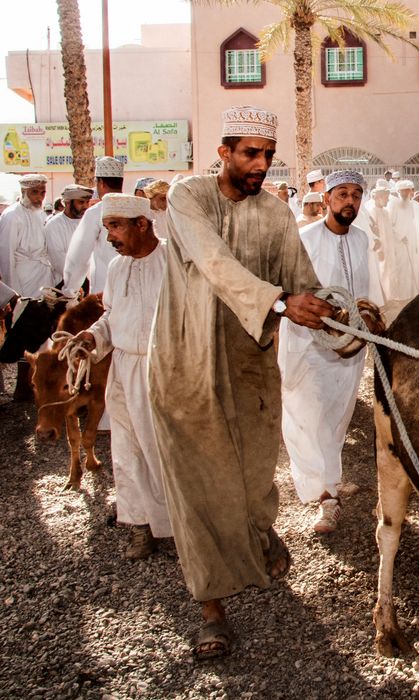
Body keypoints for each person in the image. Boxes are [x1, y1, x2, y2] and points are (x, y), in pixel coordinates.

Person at [148, 105, 338, 660]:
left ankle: (257, 533)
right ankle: (210, 608)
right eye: (250, 153)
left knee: (255, 475)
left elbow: (302, 280)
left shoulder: (275, 214)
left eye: (269, 155)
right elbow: (214, 263)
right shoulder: (189, 198)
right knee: (199, 486)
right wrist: (278, 301)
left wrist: (341, 313)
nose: (261, 164)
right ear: (223, 153)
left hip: (251, 365)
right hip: (187, 368)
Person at [71, 194, 172, 559]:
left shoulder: (175, 263)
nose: (110, 237)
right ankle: (140, 527)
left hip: (165, 371)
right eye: (107, 228)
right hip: (124, 369)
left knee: (163, 452)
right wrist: (91, 338)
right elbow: (111, 318)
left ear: (141, 224)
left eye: (115, 226)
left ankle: (177, 529)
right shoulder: (116, 268)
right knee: (126, 452)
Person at [278, 171, 371, 534]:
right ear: (327, 199)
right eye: (343, 194)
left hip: (349, 349)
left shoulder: (362, 240)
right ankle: (327, 497)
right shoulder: (303, 239)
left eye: (357, 195)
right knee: (310, 417)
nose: (350, 201)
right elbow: (287, 292)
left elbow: (366, 291)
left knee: (336, 417)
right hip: (307, 346)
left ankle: (328, 482)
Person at [62, 156, 125, 295]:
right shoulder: (136, 208)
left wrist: (70, 290)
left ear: (100, 182)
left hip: (105, 291)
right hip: (136, 291)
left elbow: (79, 256)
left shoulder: (97, 211)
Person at [0, 174, 53, 297]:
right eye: (35, 192)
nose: (39, 197)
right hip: (22, 280)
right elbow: (6, 257)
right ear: (24, 191)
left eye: (43, 193)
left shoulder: (41, 214)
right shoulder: (12, 215)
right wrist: (13, 292)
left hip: (43, 277)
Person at [43, 184, 93, 285]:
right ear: (68, 203)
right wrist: (82, 281)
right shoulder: (54, 225)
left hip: (90, 279)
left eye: (87, 202)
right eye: (81, 202)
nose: (86, 206)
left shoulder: (89, 222)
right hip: (64, 282)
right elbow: (59, 261)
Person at [388, 179, 419, 293]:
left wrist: (418, 240)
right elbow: (390, 225)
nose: (404, 194)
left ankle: (413, 292)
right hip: (399, 242)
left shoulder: (414, 205)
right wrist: (400, 236)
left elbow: (418, 224)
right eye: (402, 192)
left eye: (407, 191)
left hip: (413, 240)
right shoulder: (394, 205)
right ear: (398, 192)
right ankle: (402, 294)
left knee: (413, 266)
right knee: (402, 268)